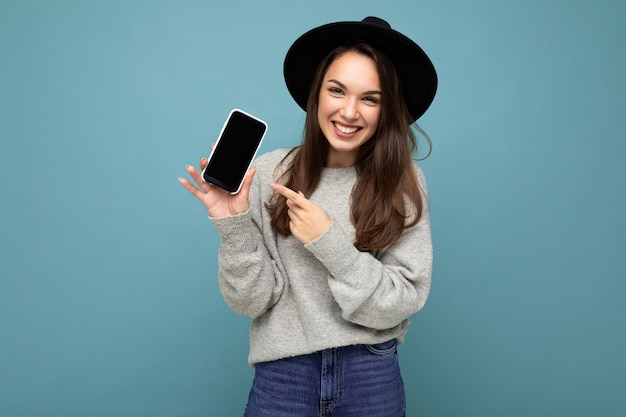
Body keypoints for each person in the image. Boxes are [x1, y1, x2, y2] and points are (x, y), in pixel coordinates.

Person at [179, 16, 437, 417]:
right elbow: (251, 302)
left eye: (371, 98)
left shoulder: (404, 181)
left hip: (371, 373)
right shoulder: (269, 172)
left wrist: (329, 242)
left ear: (387, 109)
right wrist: (233, 228)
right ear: (318, 93)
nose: (349, 111)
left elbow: (401, 299)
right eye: (337, 90)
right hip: (283, 375)